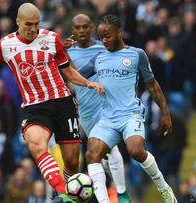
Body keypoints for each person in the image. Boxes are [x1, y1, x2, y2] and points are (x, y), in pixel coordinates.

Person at [0, 2, 104, 202]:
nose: (33, 29)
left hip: (62, 102)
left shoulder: (52, 38)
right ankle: (64, 192)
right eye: (28, 24)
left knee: (72, 163)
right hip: (34, 107)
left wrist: (88, 83)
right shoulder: (4, 46)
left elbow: (68, 71)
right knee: (36, 145)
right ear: (17, 22)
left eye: (36, 24)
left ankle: (67, 196)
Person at [82, 15, 177, 203]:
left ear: (119, 32)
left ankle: (163, 187)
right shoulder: (98, 58)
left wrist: (165, 113)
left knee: (136, 150)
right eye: (101, 37)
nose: (104, 40)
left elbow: (152, 85)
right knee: (92, 153)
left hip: (130, 114)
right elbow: (74, 74)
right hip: (107, 118)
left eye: (107, 35)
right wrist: (64, 56)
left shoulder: (136, 55)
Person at [65, 14, 130, 202]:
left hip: (105, 106)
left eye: (85, 27)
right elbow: (72, 77)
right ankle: (112, 190)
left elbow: (82, 73)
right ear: (73, 29)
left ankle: (121, 194)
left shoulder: (103, 48)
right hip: (85, 111)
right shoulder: (67, 52)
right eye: (78, 28)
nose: (82, 31)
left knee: (112, 149)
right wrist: (63, 54)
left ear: (91, 27)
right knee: (102, 157)